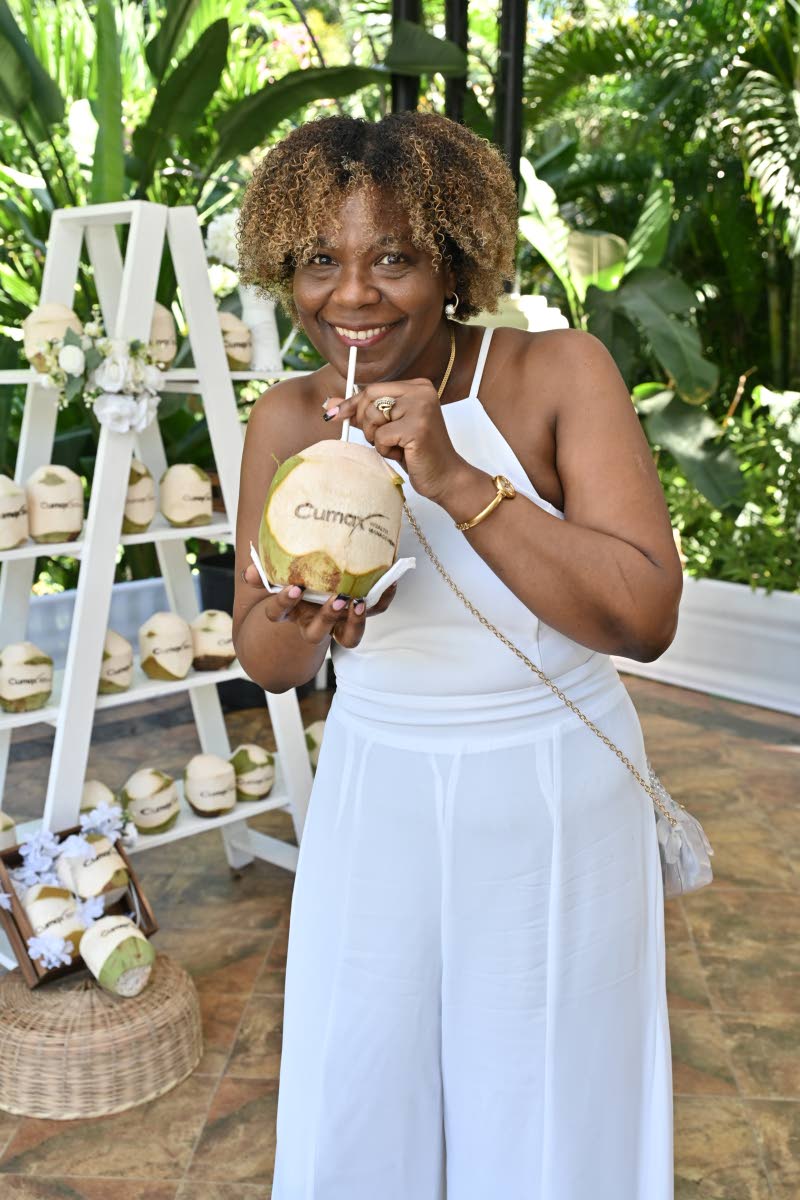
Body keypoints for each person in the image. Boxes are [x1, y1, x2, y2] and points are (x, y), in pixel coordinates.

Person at [233, 112, 681, 1200]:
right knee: (361, 1080)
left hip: (548, 789)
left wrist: (449, 477)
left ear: (453, 260)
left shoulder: (555, 372)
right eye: (317, 261)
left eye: (391, 256)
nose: (351, 295)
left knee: (546, 1094)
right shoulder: (285, 418)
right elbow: (262, 656)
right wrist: (301, 618)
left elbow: (644, 615)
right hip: (375, 785)